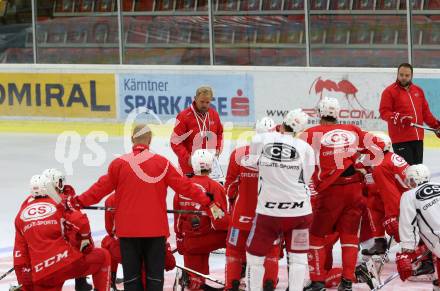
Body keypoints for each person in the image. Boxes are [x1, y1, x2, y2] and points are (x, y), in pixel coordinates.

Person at [68, 124, 219, 291]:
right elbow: (185, 187)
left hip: (128, 232)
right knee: (155, 280)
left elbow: (98, 190)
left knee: (132, 280)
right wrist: (208, 201)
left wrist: (77, 202)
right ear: (150, 140)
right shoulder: (162, 163)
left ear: (132, 139)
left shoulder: (119, 164)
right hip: (155, 232)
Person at [302, 97, 385, 291]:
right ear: (338, 113)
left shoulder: (310, 133)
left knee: (315, 236)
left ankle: (318, 280)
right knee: (349, 236)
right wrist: (359, 163)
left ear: (319, 113)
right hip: (355, 190)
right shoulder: (353, 130)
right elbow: (380, 144)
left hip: (330, 193)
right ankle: (347, 281)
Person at [245, 109, 315, 291]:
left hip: (268, 214)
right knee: (298, 258)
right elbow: (306, 178)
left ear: (282, 121)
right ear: (301, 129)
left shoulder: (260, 140)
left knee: (254, 258)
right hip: (300, 213)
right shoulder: (306, 148)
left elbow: (251, 163)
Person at [13, 175, 111, 291]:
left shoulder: (20, 215)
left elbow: (20, 254)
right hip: (65, 263)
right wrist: (86, 240)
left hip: (41, 274)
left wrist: (25, 284)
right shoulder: (60, 202)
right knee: (103, 256)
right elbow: (80, 222)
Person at [224, 117, 280, 291]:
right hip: (270, 216)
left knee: (234, 252)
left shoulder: (239, 153)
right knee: (271, 252)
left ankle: (232, 283)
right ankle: (269, 282)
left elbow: (230, 187)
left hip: (240, 217)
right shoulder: (283, 155)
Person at [174, 149, 229, 290]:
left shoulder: (181, 187)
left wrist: (180, 240)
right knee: (237, 236)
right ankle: (239, 275)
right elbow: (220, 222)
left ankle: (191, 280)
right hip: (208, 238)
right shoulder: (216, 187)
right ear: (211, 166)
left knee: (196, 279)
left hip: (188, 242)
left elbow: (177, 219)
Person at [101, 193, 176, 290]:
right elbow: (163, 230)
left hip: (128, 251)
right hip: (153, 249)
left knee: (107, 242)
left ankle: (111, 281)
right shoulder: (155, 196)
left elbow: (110, 229)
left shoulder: (111, 199)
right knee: (165, 262)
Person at [42, 168, 93, 291]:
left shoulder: (65, 196)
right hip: (56, 241)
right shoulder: (63, 199)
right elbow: (80, 221)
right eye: (60, 181)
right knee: (81, 241)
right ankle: (80, 280)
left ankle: (80, 280)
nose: (62, 183)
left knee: (79, 239)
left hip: (53, 241)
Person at [379, 62, 440, 165]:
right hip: (400, 140)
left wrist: (437, 126)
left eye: (407, 75)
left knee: (418, 172)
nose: (403, 77)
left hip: (418, 138)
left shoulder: (418, 90)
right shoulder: (389, 91)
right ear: (397, 74)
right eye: (401, 75)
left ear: (411, 76)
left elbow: (425, 113)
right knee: (407, 172)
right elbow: (384, 112)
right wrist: (399, 118)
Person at [396, 164, 440, 290]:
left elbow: (408, 224)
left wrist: (406, 251)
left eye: (410, 179)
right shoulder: (438, 184)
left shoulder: (409, 195)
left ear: (416, 179)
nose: (409, 183)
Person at [171, 86, 224, 175]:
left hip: (209, 167)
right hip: (189, 167)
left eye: (207, 102)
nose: (204, 105)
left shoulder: (214, 115)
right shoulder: (184, 116)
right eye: (202, 101)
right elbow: (175, 142)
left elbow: (219, 134)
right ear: (195, 99)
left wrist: (217, 149)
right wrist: (188, 159)